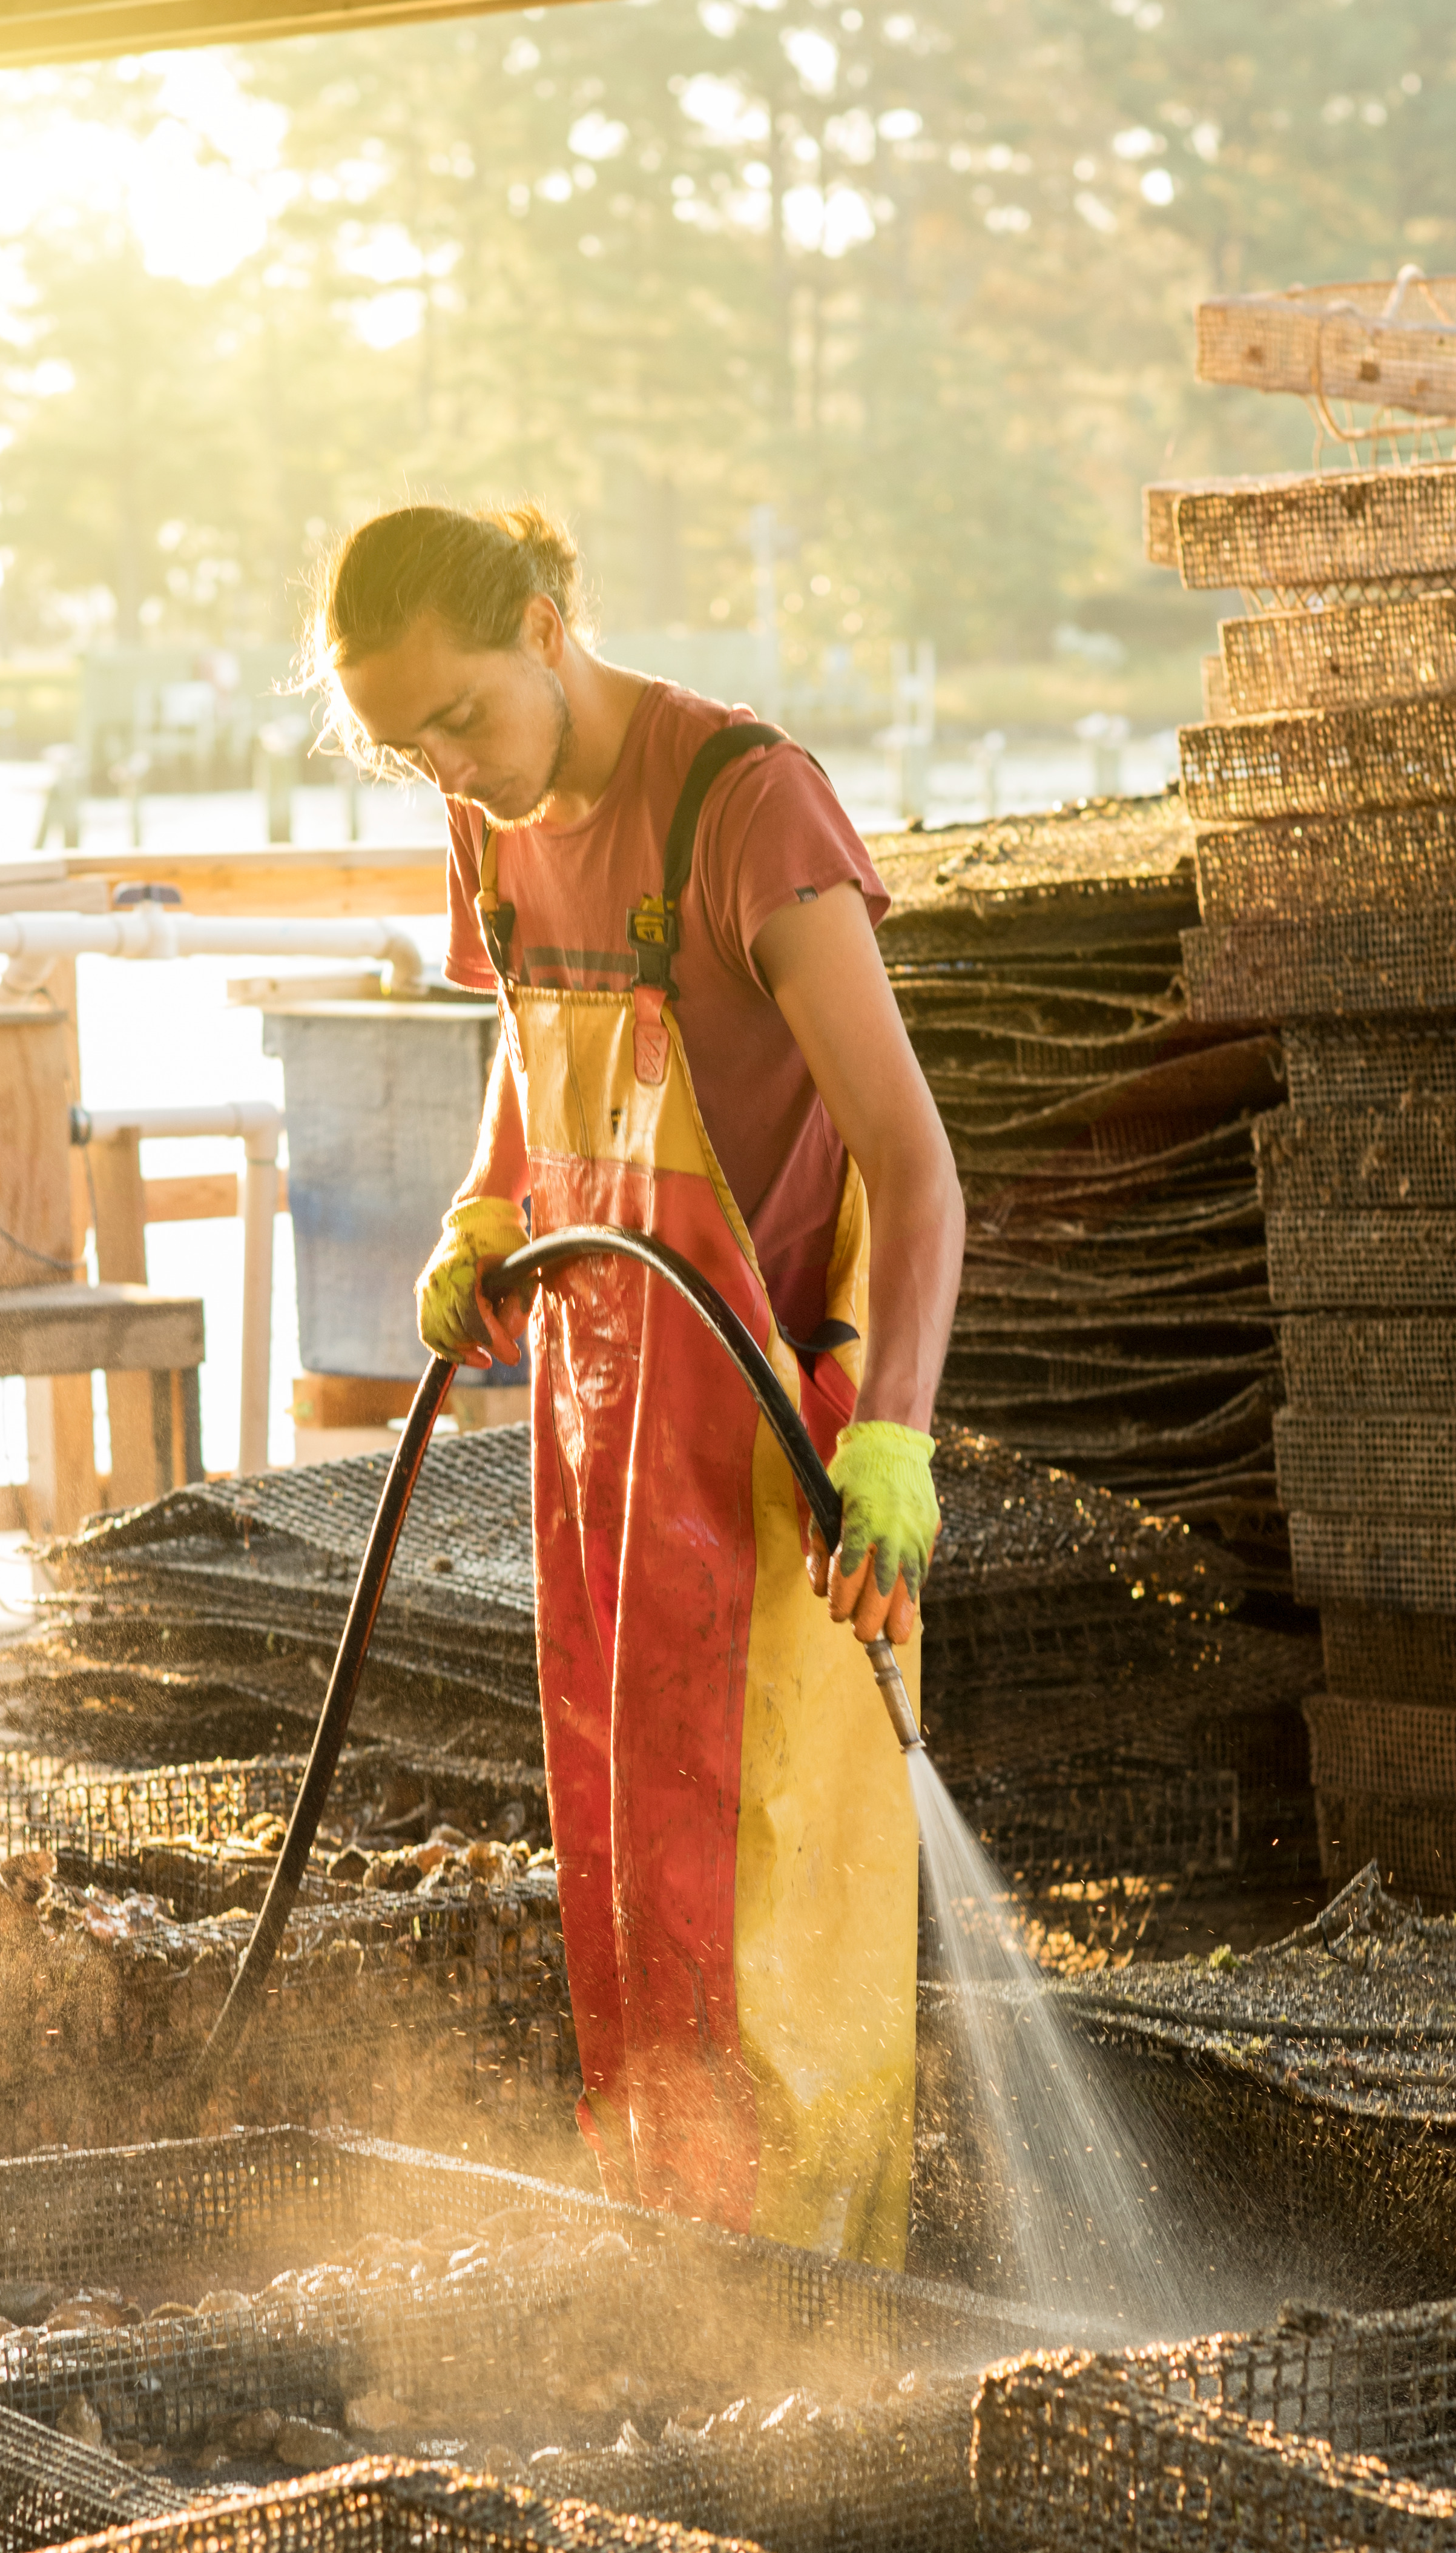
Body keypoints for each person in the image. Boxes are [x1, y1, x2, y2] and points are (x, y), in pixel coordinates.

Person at [305, 501, 963, 2265]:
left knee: (776, 1892)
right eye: (401, 747)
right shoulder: (492, 818)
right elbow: (538, 1046)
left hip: (772, 1440)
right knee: (628, 1859)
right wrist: (484, 1201)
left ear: (540, 628)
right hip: (601, 1422)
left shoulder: (746, 809)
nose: (447, 768)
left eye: (458, 719)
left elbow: (914, 1166)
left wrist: (892, 1432)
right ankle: (674, 2276)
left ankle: (827, 2300)